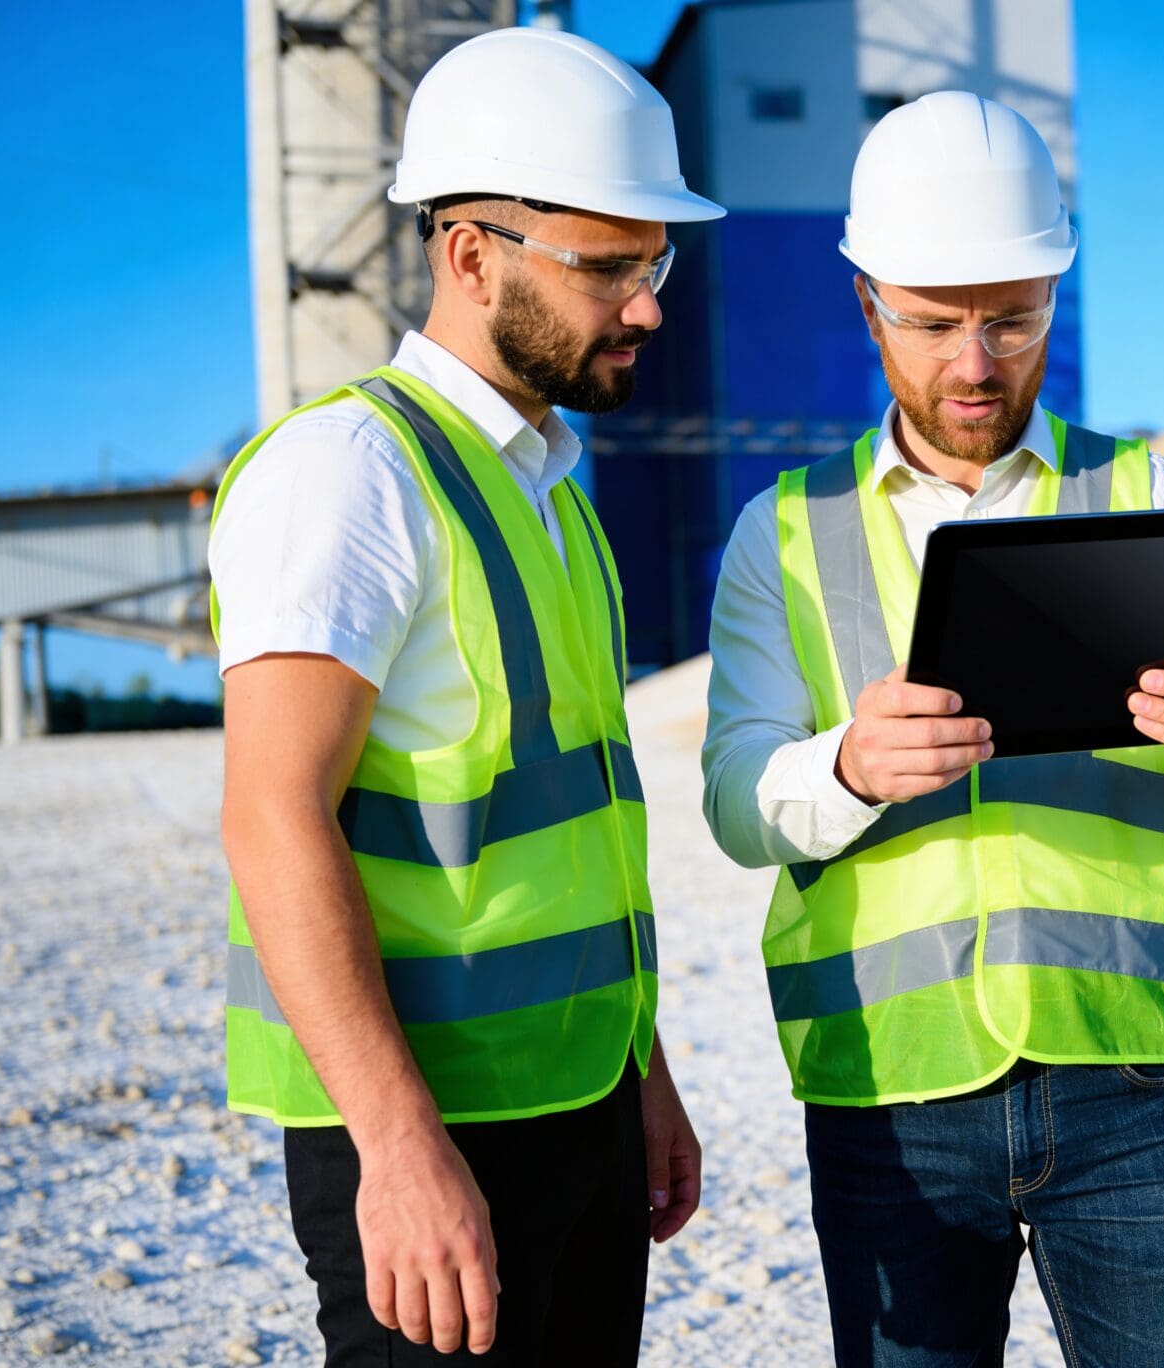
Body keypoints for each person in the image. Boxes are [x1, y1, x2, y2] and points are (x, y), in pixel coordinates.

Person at [701, 91, 1164, 1366]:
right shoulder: (783, 535)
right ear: (866, 302)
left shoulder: (1151, 495)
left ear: (1051, 295)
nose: (976, 363)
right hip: (887, 1095)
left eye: (1012, 320)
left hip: (1134, 1079)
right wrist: (848, 768)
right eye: (932, 324)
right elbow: (735, 801)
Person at [209, 28, 722, 1364]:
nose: (649, 305)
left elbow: (576, 845)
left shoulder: (549, 492)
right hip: (433, 1136)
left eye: (653, 264)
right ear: (472, 255)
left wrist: (642, 1079)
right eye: (609, 268)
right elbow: (274, 819)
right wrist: (397, 1148)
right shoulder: (347, 476)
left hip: (581, 1106)